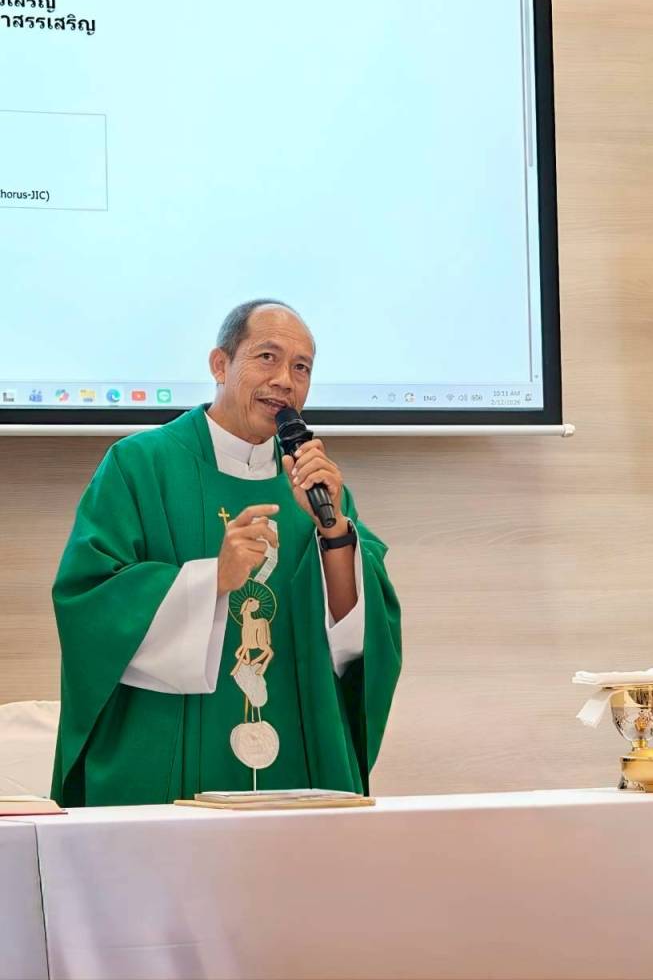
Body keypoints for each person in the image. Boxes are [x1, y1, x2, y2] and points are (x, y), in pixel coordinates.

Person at [51, 300, 401, 806]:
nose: (284, 380)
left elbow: (357, 640)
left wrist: (335, 534)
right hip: (166, 753)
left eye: (301, 367)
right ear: (220, 364)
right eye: (267, 357)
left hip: (297, 751)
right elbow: (89, 603)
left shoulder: (317, 486)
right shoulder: (139, 464)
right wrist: (212, 578)